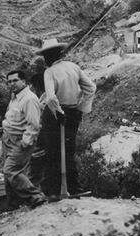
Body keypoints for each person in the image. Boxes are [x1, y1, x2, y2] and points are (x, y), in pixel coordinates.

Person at [37, 37, 97, 198]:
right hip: (72, 114)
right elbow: (91, 88)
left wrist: (58, 113)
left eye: (45, 56)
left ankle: (53, 191)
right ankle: (75, 188)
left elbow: (50, 98)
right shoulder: (73, 67)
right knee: (69, 152)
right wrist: (80, 109)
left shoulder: (49, 72)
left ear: (48, 57)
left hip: (54, 115)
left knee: (51, 152)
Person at [0, 67, 46, 210]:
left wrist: (26, 142)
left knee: (11, 170)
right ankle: (13, 205)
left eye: (15, 80)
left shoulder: (29, 99)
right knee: (8, 175)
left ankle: (35, 196)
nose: (12, 84)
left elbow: (34, 124)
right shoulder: (14, 97)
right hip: (7, 138)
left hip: (20, 140)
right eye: (9, 82)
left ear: (24, 81)